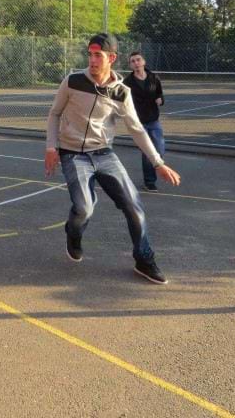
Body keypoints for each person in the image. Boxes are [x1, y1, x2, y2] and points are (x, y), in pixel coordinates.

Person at [44, 34, 181, 285]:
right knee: (84, 208)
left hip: (104, 153)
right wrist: (51, 147)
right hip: (73, 153)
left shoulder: (121, 92)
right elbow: (54, 114)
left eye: (99, 55)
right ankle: (73, 233)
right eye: (90, 54)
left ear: (112, 58)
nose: (93, 60)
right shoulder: (73, 81)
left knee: (134, 207)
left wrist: (157, 162)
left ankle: (144, 259)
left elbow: (137, 129)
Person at [123, 52, 166, 192]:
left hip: (153, 120)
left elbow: (159, 93)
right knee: (148, 151)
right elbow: (122, 100)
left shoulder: (154, 78)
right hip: (138, 122)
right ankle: (149, 182)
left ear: (143, 62)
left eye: (138, 60)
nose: (136, 63)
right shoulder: (127, 82)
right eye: (133, 61)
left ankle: (152, 174)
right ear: (130, 65)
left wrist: (160, 99)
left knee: (159, 149)